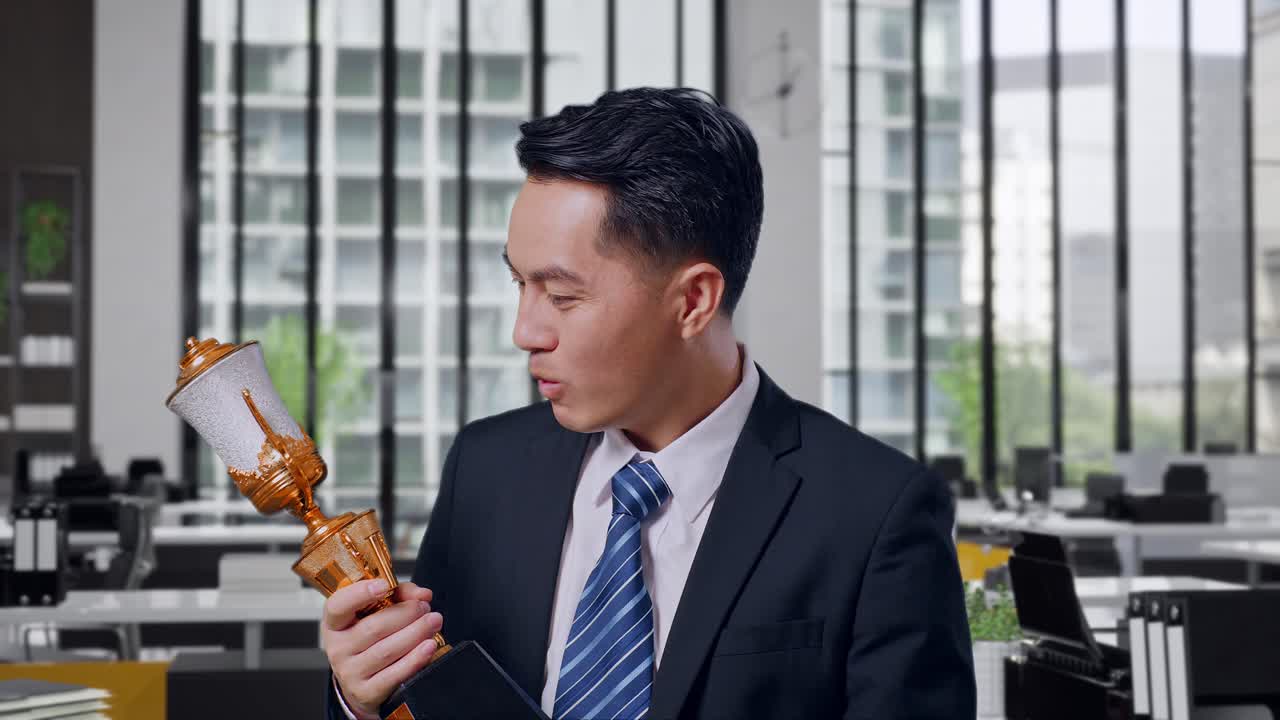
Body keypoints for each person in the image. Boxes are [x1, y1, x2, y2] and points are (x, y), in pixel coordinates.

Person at [323, 87, 975, 720]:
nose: (524, 331)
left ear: (693, 301)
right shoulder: (487, 469)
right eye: (519, 283)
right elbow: (431, 701)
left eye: (562, 296)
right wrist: (366, 696)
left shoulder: (875, 512)